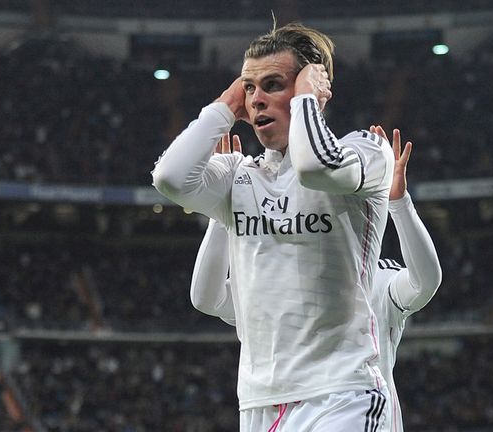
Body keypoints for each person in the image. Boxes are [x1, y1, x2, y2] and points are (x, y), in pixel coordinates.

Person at [152, 22, 395, 431]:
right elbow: (170, 179)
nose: (257, 100)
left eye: (273, 84)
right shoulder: (239, 176)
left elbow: (315, 166)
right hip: (258, 403)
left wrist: (305, 100)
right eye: (250, 88)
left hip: (343, 394)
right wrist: (227, 105)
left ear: (313, 86)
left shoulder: (367, 153)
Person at [190, 127, 442, 432]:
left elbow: (425, 282)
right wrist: (225, 209)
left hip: (352, 413)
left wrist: (399, 204)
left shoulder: (379, 279)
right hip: (276, 412)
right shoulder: (276, 282)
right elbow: (207, 298)